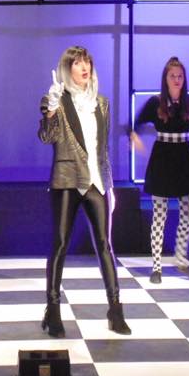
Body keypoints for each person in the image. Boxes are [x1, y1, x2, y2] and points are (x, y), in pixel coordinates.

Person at [39, 46, 130, 336]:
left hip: (96, 182)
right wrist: (52, 109)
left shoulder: (102, 103)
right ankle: (53, 310)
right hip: (67, 180)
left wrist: (110, 186)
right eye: (77, 63)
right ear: (68, 69)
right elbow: (47, 137)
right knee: (60, 243)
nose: (84, 67)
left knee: (104, 244)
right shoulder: (56, 99)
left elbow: (103, 150)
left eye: (87, 62)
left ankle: (115, 310)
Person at [131, 57, 189, 283]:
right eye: (173, 76)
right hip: (162, 157)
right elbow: (135, 124)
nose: (177, 79)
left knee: (187, 213)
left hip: (184, 158)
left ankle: (181, 259)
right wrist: (134, 137)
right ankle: (156, 266)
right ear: (165, 78)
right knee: (159, 215)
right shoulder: (155, 102)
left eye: (180, 76)